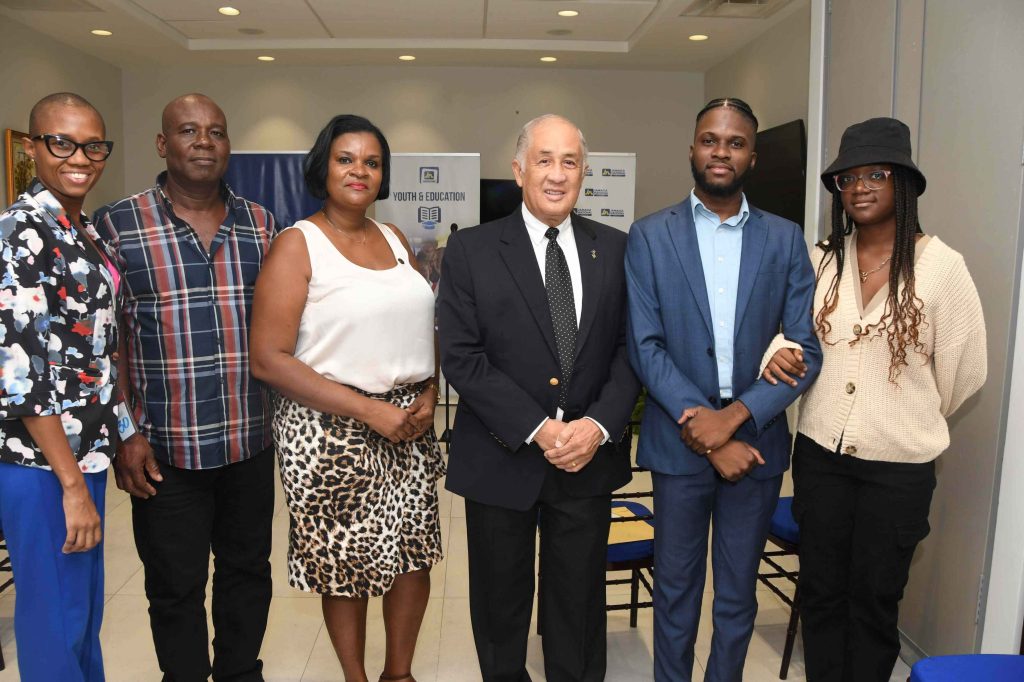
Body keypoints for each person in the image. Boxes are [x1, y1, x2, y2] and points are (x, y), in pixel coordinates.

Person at [761, 117, 987, 682]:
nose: (859, 187)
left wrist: (904, 416)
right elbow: (789, 334)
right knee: (820, 595)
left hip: (898, 470)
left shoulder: (941, 267)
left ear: (904, 183)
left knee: (873, 603)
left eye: (876, 174)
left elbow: (965, 373)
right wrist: (779, 352)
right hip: (821, 459)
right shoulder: (822, 261)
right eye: (847, 178)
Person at [625, 97, 822, 682]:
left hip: (756, 448)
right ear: (692, 149)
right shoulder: (649, 236)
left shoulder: (785, 240)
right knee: (676, 595)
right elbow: (645, 346)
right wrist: (705, 433)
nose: (721, 151)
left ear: (752, 158)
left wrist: (734, 417)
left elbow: (805, 349)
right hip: (677, 448)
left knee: (737, 598)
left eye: (735, 143)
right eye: (710, 140)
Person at [437, 114, 640, 682]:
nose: (557, 174)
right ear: (519, 169)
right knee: (500, 611)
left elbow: (631, 351)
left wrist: (597, 426)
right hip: (502, 459)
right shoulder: (472, 250)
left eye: (569, 162)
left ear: (584, 173)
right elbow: (462, 357)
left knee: (577, 609)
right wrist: (540, 428)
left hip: (586, 461)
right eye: (545, 160)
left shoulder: (619, 250)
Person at [249, 114, 444, 682]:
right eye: (346, 159)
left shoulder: (395, 238)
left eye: (372, 162)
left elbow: (419, 327)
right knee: (345, 564)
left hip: (407, 422)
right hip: (330, 432)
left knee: (413, 555)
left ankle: (399, 675)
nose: (360, 170)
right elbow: (269, 358)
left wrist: (429, 391)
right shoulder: (297, 244)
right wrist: (369, 410)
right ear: (322, 167)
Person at [93, 93, 276, 682]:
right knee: (174, 588)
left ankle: (240, 673)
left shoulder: (262, 224)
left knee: (248, 575)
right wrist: (125, 432)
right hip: (163, 452)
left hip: (250, 443)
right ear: (162, 143)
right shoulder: (118, 224)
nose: (204, 142)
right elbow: (108, 342)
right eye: (189, 131)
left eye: (216, 132)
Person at [0, 92, 118, 681]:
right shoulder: (22, 233)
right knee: (53, 622)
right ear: (31, 147)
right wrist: (71, 485)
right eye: (62, 142)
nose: (81, 157)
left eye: (93, 145)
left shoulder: (80, 227)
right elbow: (21, 376)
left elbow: (94, 354)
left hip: (81, 456)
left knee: (79, 617)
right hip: (44, 466)